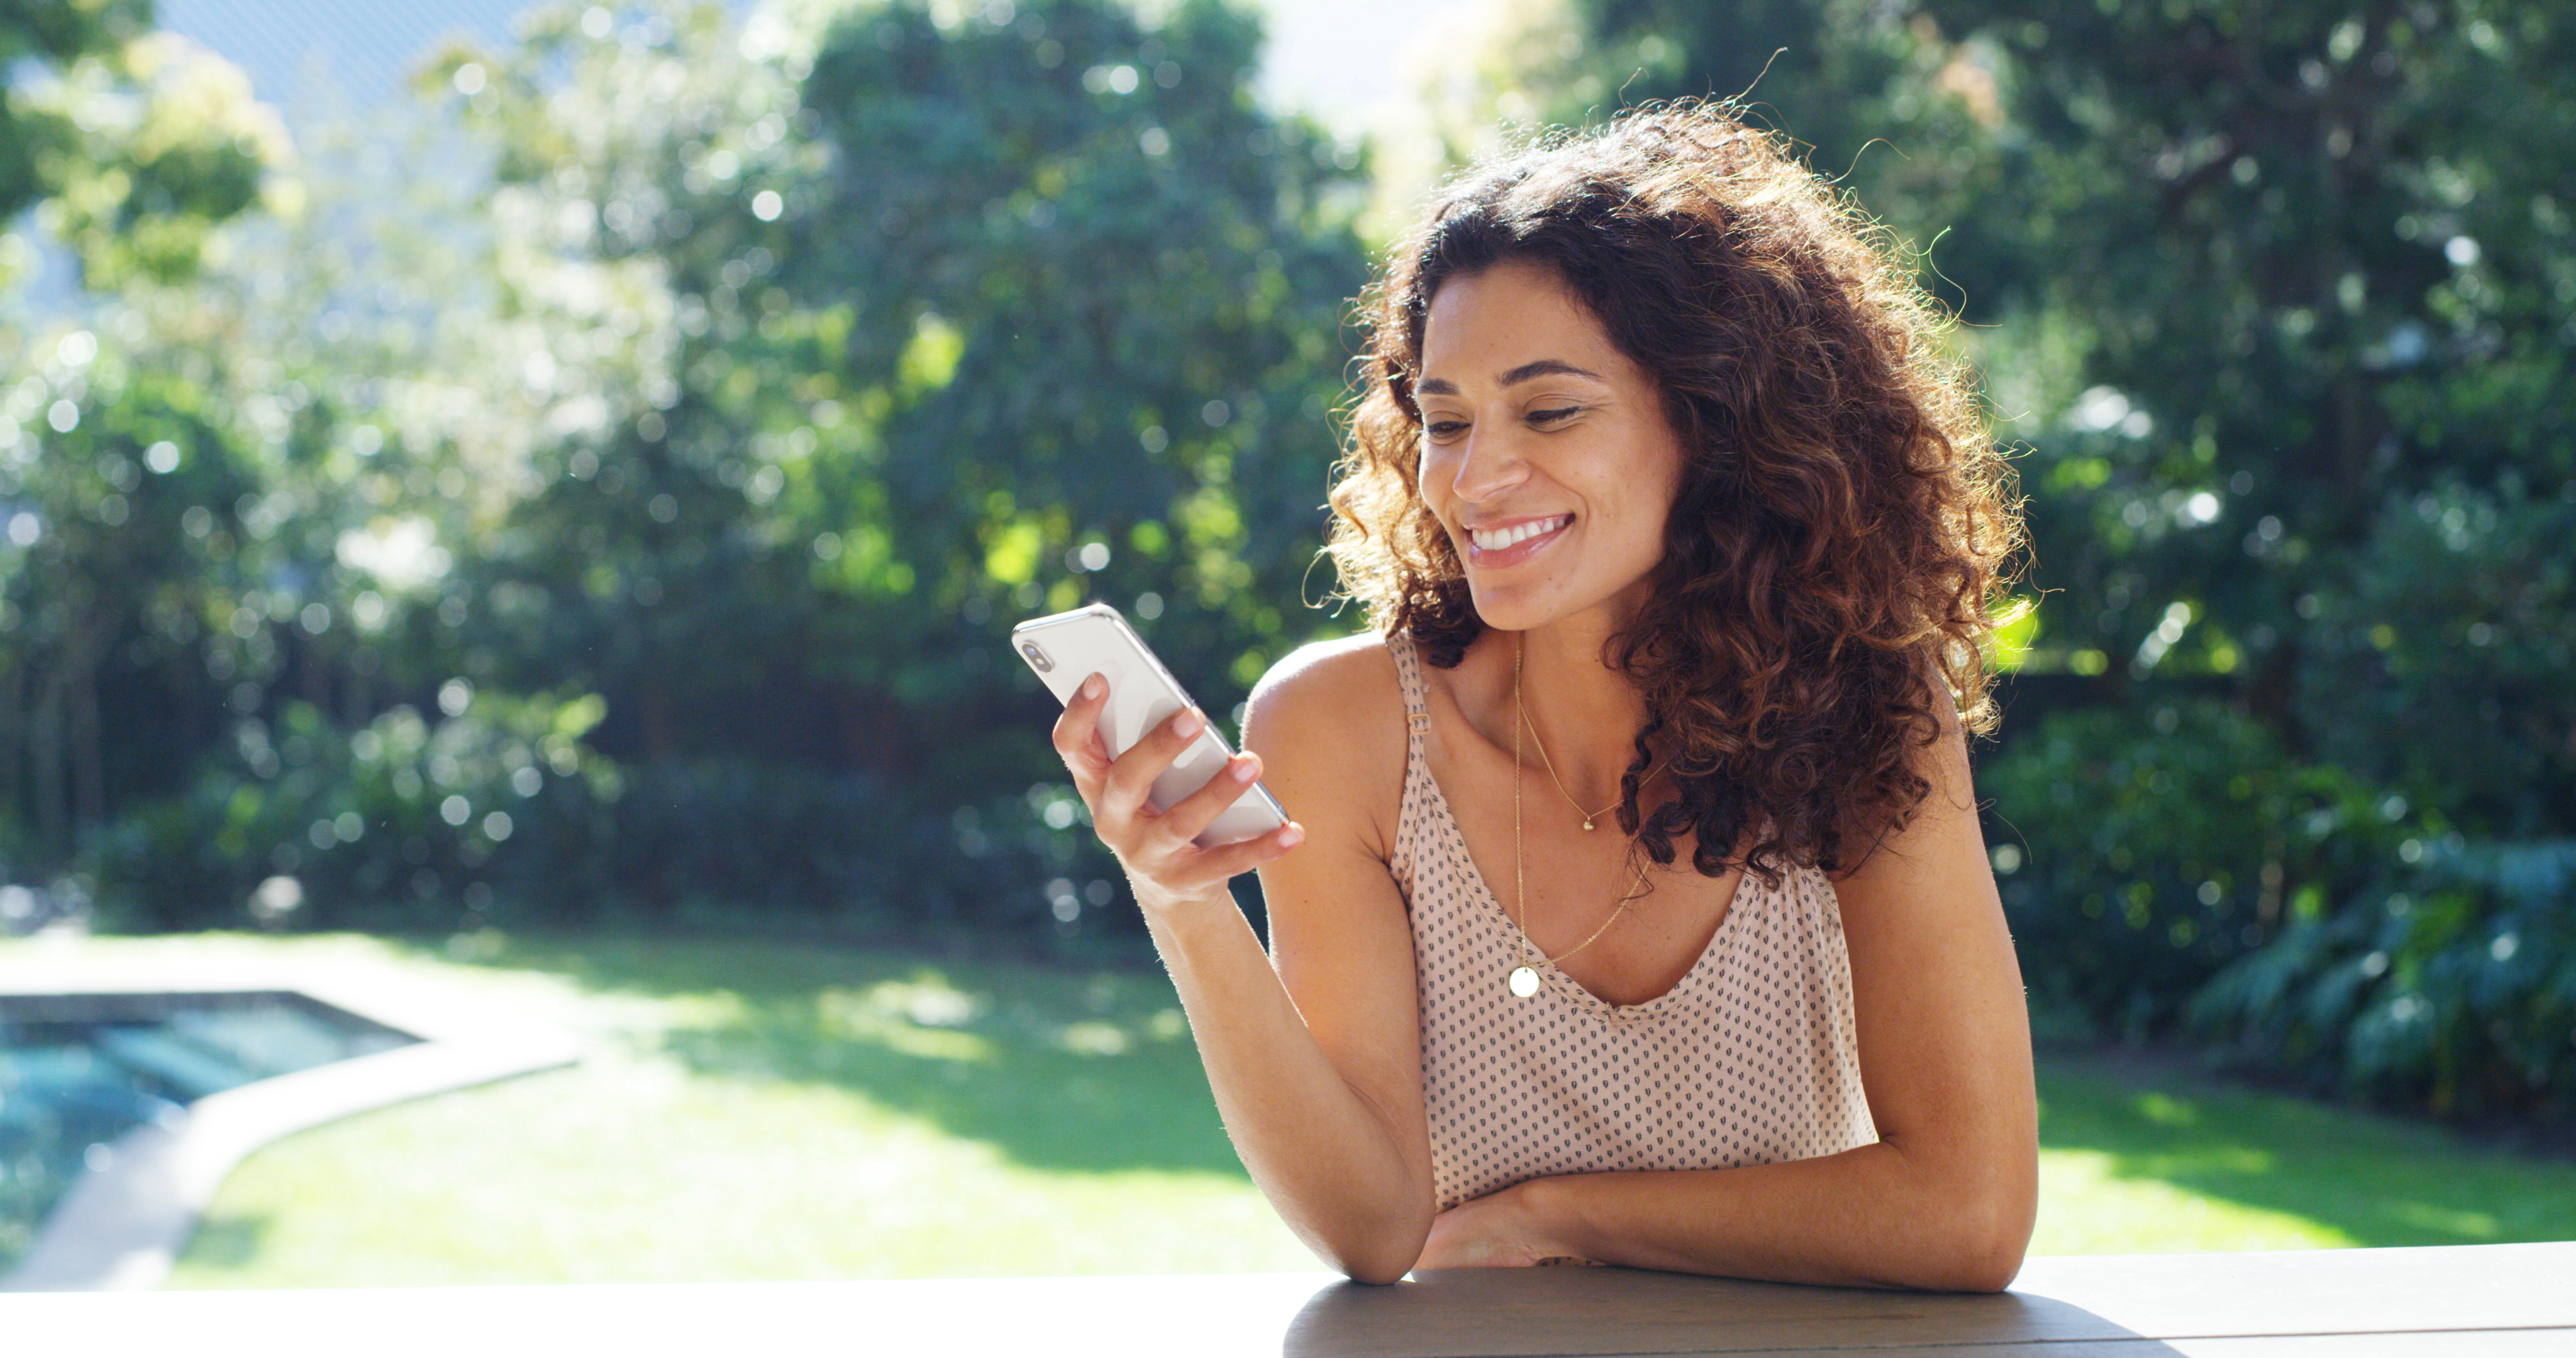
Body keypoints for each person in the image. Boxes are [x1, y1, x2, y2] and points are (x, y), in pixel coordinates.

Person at [1048, 101, 2036, 1291]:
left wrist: (1563, 1216)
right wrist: (1181, 902)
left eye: (1551, 409)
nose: (1475, 476)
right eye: (1445, 418)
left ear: (1714, 418)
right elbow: (1371, 1228)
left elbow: (1969, 1212)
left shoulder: (1866, 704)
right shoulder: (1340, 731)